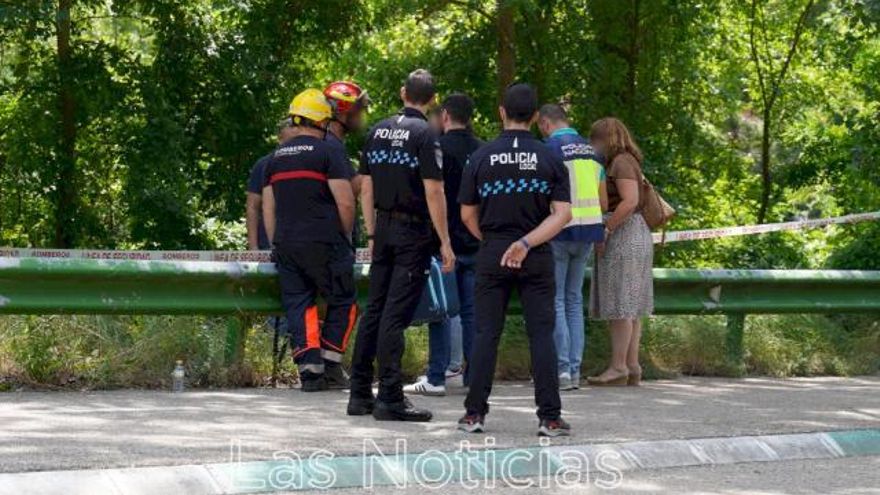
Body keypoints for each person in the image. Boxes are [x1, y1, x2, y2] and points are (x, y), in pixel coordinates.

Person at [457, 83, 573, 437]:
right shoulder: (551, 157)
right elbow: (563, 214)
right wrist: (525, 242)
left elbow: (466, 214)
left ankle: (474, 415)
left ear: (501, 112)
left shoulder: (480, 157)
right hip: (535, 253)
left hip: (493, 252)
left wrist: (496, 242)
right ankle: (549, 418)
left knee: (485, 333)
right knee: (542, 334)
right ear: (536, 117)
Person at [348, 69, 455, 422]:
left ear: (402, 93)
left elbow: (365, 186)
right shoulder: (425, 134)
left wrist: (373, 231)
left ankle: (360, 393)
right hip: (413, 232)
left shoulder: (377, 130)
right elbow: (434, 190)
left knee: (375, 309)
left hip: (384, 229)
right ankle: (390, 397)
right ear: (433, 99)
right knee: (396, 314)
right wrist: (444, 240)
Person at [262, 89, 358, 392]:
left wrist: (277, 242)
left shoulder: (274, 159)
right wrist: (344, 235)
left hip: (287, 243)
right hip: (325, 240)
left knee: (299, 303)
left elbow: (269, 207)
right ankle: (331, 363)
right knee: (343, 298)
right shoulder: (328, 152)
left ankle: (310, 371)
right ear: (323, 122)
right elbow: (345, 202)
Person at [404, 93, 482, 396]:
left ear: (446, 116)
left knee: (440, 309)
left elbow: (428, 194)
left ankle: (436, 376)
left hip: (442, 241)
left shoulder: (436, 148)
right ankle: (475, 376)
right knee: (473, 313)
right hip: (475, 240)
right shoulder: (482, 150)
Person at [537, 104, 607, 391]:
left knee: (556, 300)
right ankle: (574, 369)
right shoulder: (593, 153)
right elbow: (603, 203)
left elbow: (542, 195)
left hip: (559, 231)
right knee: (574, 300)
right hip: (589, 233)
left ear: (544, 123)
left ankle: (563, 370)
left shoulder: (549, 150)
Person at [587, 117, 654, 387]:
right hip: (636, 233)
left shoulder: (620, 162)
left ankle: (618, 367)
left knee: (620, 304)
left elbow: (630, 202)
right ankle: (631, 365)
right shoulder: (629, 160)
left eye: (595, 140)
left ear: (606, 139)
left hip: (624, 234)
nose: (593, 146)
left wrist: (607, 228)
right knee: (632, 305)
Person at [323, 81, 371, 197]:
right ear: (344, 111)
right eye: (359, 110)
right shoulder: (332, 146)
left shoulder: (328, 140)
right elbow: (349, 191)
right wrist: (373, 163)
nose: (361, 116)